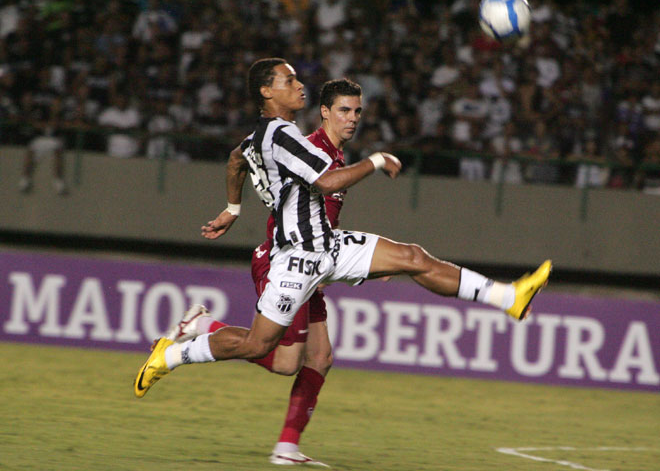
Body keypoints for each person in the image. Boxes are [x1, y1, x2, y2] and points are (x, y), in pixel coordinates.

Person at [134, 58, 551, 461]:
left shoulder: (277, 135)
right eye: (289, 80)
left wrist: (233, 209)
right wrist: (375, 161)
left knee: (410, 257)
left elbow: (235, 159)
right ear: (268, 92)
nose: (299, 85)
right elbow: (328, 181)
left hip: (328, 249)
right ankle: (173, 354)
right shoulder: (288, 138)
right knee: (267, 351)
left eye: (357, 111)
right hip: (294, 259)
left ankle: (508, 296)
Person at [163, 78, 364, 466]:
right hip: (283, 260)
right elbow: (246, 160)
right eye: (343, 110)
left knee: (319, 358)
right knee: (288, 361)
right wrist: (233, 208)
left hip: (313, 262)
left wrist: (364, 263)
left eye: (357, 111)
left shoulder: (333, 155)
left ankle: (286, 449)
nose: (351, 119)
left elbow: (241, 158)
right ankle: (206, 328)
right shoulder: (311, 149)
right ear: (324, 113)